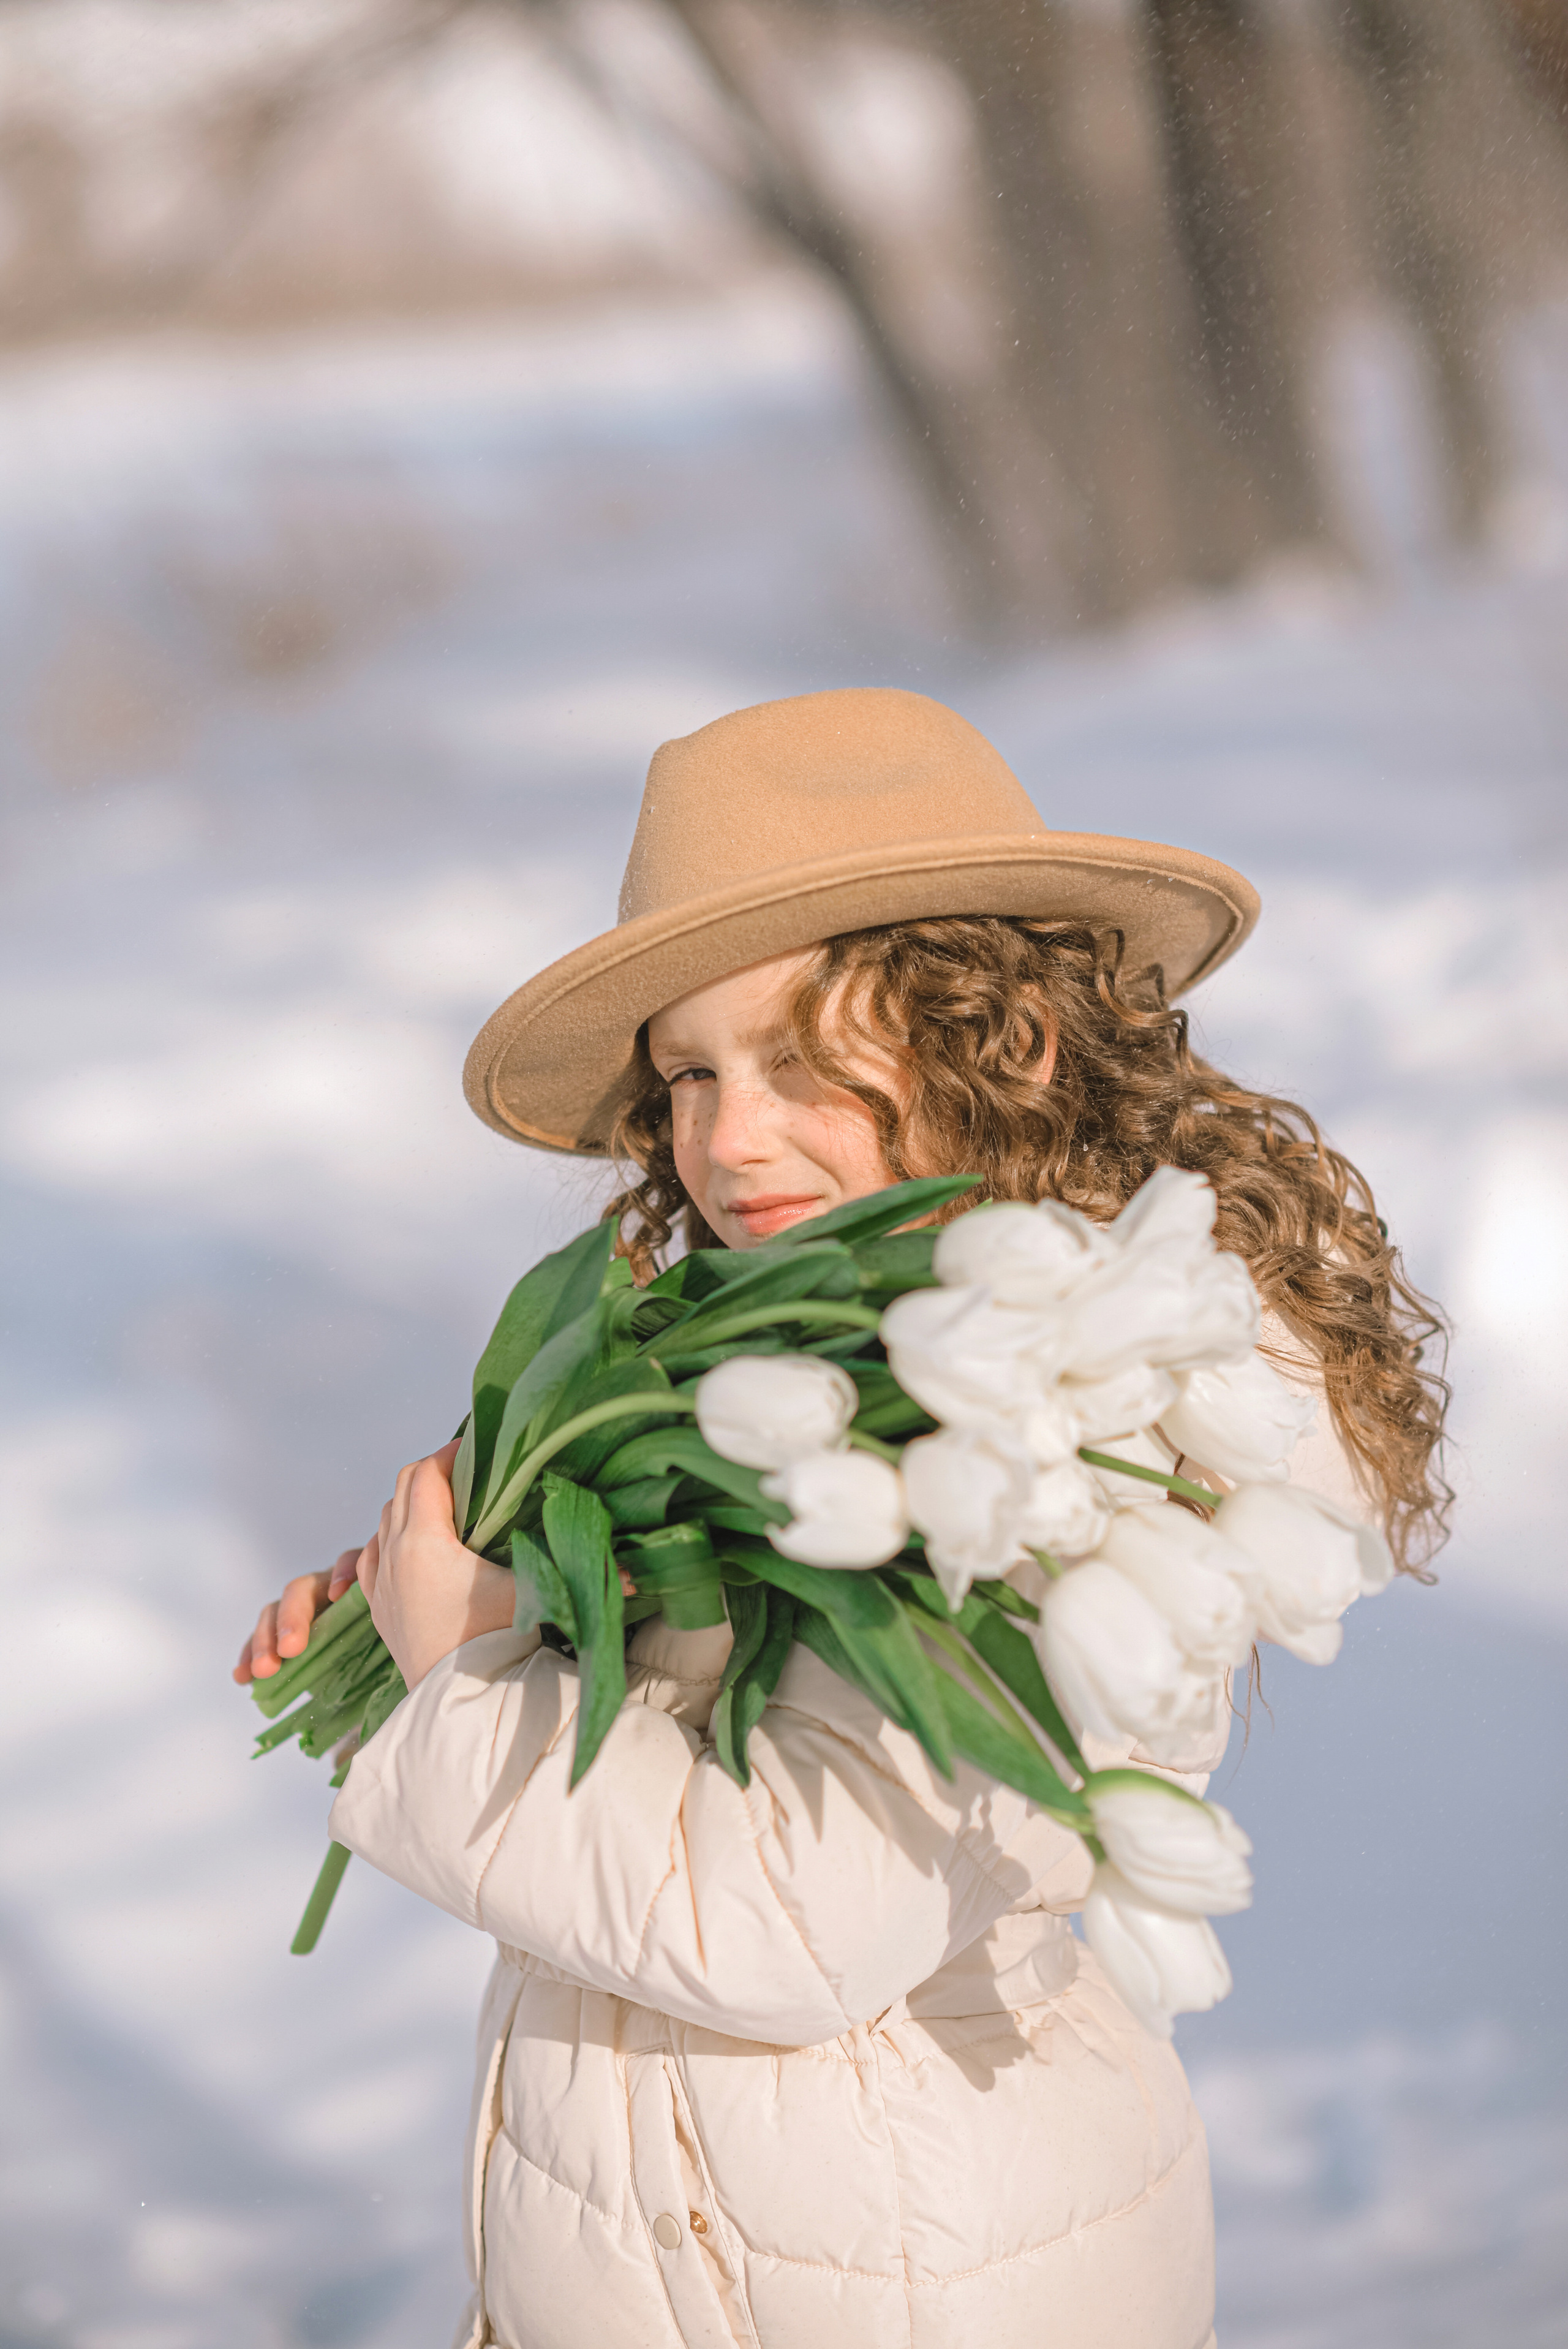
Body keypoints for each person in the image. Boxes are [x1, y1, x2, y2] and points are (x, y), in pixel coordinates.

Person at [235, 690, 1448, 2349]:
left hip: (926, 2282)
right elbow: (661, 1730)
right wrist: (486, 1598)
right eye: (690, 1073)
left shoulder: (1069, 1428)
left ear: (1009, 1041)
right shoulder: (785, 1368)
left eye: (803, 1059)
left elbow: (786, 1924)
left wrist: (466, 1678)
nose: (729, 1138)